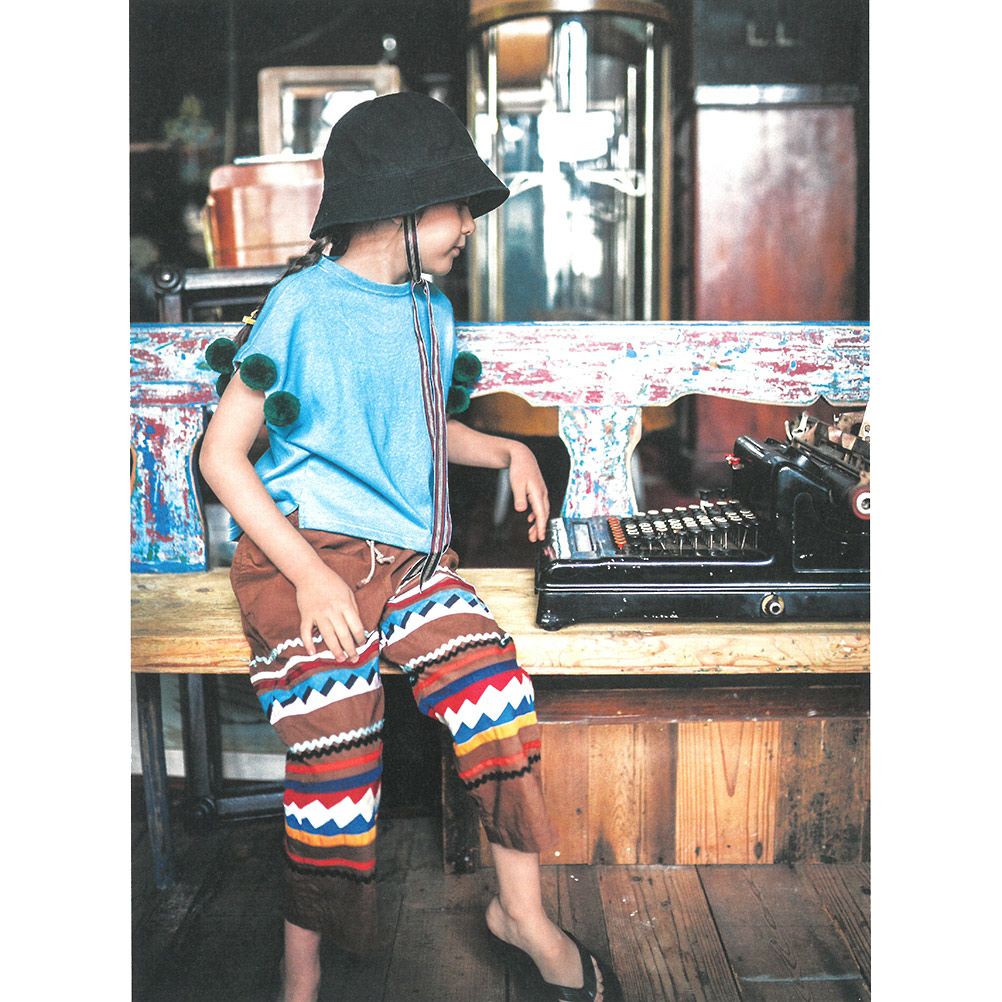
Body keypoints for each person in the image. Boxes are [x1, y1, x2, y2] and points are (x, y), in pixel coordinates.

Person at [199, 92, 618, 1002]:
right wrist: (313, 578)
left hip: (409, 565)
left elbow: (423, 430)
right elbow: (221, 455)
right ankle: (301, 974)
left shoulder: (432, 313)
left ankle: (522, 916)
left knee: (494, 688)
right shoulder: (302, 306)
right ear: (401, 210)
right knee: (339, 742)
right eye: (457, 206)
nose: (469, 225)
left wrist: (506, 448)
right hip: (303, 559)